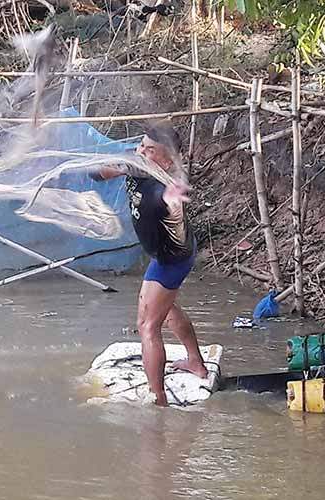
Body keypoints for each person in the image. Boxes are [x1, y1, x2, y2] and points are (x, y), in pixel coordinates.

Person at [91, 121, 208, 407]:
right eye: (141, 145)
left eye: (150, 150)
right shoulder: (136, 166)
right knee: (164, 310)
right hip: (167, 255)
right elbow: (94, 174)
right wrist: (121, 167)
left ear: (167, 161)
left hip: (172, 258)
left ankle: (158, 399)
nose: (141, 152)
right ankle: (195, 363)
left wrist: (172, 200)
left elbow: (168, 201)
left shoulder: (162, 189)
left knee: (147, 324)